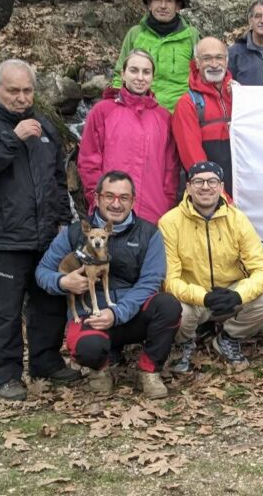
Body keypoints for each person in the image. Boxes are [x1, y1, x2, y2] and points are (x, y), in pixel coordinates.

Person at [0, 59, 81, 400]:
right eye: (13, 91)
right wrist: (12, 138)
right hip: (3, 238)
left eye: (27, 90)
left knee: (48, 303)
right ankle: (5, 372)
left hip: (46, 235)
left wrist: (62, 223)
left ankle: (45, 362)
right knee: (5, 310)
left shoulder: (44, 126)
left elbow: (58, 179)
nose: (21, 97)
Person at [36, 171, 181, 399]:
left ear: (133, 200)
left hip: (131, 312)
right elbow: (42, 271)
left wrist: (117, 313)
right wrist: (63, 281)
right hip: (90, 315)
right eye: (109, 196)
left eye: (124, 198)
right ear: (97, 198)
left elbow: (151, 281)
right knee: (87, 348)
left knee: (169, 306)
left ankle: (149, 371)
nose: (116, 203)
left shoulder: (148, 233)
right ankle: (100, 368)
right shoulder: (75, 232)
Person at [159, 161, 263, 371]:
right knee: (173, 307)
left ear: (221, 186)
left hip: (229, 297)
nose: (205, 187)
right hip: (193, 300)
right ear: (188, 187)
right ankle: (184, 342)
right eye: (198, 181)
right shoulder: (169, 222)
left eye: (212, 181)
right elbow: (170, 280)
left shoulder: (238, 220)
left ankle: (228, 336)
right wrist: (202, 297)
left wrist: (238, 295)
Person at [78, 49, 179, 225]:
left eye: (146, 72)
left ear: (152, 78)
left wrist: (167, 201)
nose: (140, 77)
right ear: (123, 74)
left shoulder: (164, 117)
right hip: (110, 211)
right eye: (134, 70)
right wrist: (97, 199)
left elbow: (171, 168)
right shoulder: (102, 111)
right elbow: (89, 161)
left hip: (153, 212)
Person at [112, 0, 199, 112]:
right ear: (149, 4)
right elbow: (119, 74)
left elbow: (200, 77)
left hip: (180, 113)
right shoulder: (135, 33)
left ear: (178, 6)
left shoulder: (191, 36)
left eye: (169, 0)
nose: (163, 6)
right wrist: (115, 106)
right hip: (140, 111)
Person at [172, 37, 235, 193]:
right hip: (209, 194)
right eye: (207, 58)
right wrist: (220, 198)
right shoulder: (187, 104)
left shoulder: (240, 97)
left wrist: (241, 97)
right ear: (197, 63)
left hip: (244, 191)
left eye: (219, 57)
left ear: (226, 61)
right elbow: (194, 160)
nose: (214, 64)